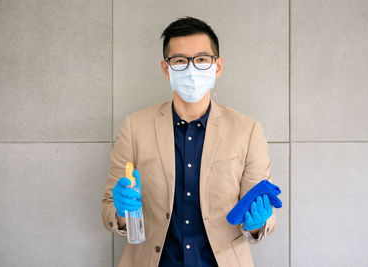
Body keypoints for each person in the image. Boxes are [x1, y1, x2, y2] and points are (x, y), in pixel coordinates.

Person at [101, 17, 276, 267]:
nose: (192, 69)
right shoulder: (135, 127)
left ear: (217, 67)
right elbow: (109, 209)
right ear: (166, 68)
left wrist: (259, 223)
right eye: (180, 60)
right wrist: (120, 212)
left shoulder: (247, 130)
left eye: (202, 59)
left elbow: (262, 214)